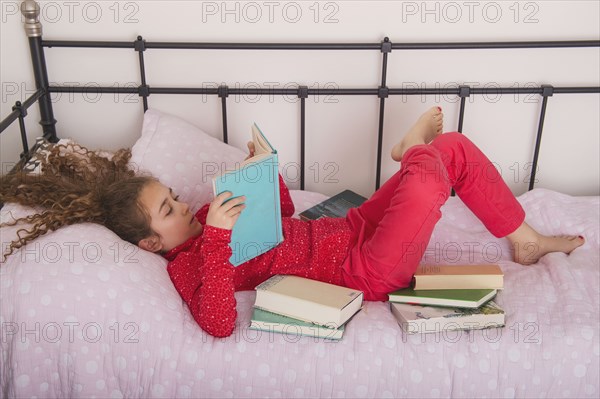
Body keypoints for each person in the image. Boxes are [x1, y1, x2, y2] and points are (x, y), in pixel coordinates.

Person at [1, 108, 584, 338]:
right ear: (152, 243)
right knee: (432, 175)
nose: (186, 208)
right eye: (170, 212)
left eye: (175, 197)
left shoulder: (207, 219)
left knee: (451, 147)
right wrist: (221, 240)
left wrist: (266, 175)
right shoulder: (188, 267)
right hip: (365, 269)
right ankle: (409, 157)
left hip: (347, 226)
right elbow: (219, 324)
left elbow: (278, 223)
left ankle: (524, 241)